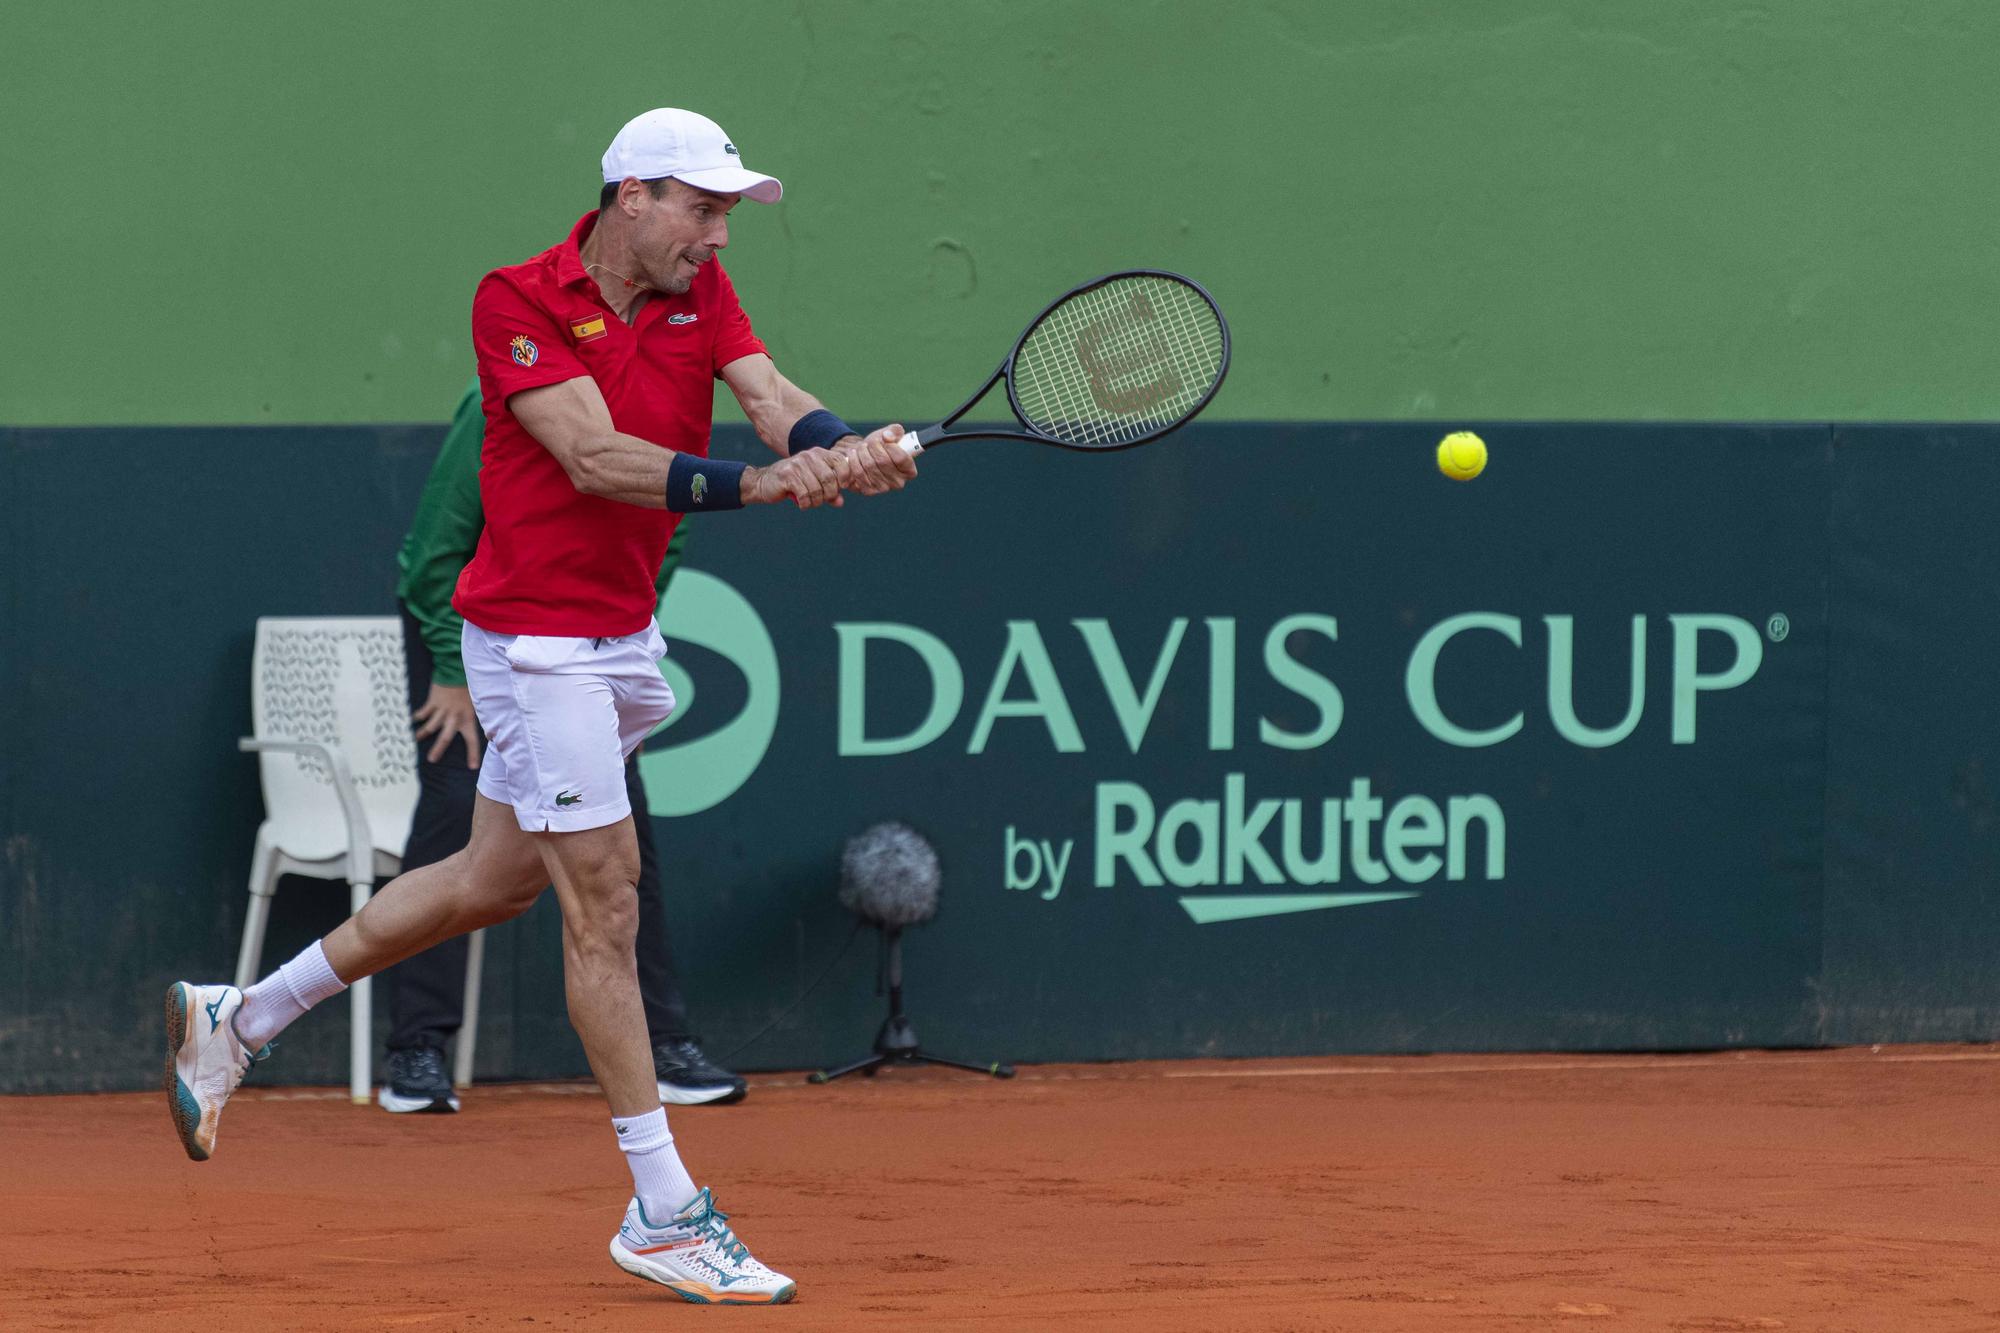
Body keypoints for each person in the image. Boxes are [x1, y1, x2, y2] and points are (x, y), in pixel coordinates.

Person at [166, 107, 919, 1305]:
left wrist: (838, 442)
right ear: (631, 196)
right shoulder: (514, 298)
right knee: (604, 904)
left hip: (618, 635)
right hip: (533, 642)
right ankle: (664, 1208)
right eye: (702, 207)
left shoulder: (699, 294)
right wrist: (767, 483)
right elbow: (593, 456)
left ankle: (240, 1017)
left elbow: (768, 391)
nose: (719, 234)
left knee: (489, 880)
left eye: (728, 212)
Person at [385, 379, 741, 1113]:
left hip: (591, 643)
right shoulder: (512, 390)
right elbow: (434, 550)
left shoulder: (666, 404)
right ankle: (416, 1047)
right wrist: (452, 671)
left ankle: (664, 1041)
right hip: (475, 634)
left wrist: (617, 655)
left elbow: (662, 545)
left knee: (623, 824)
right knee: (457, 808)